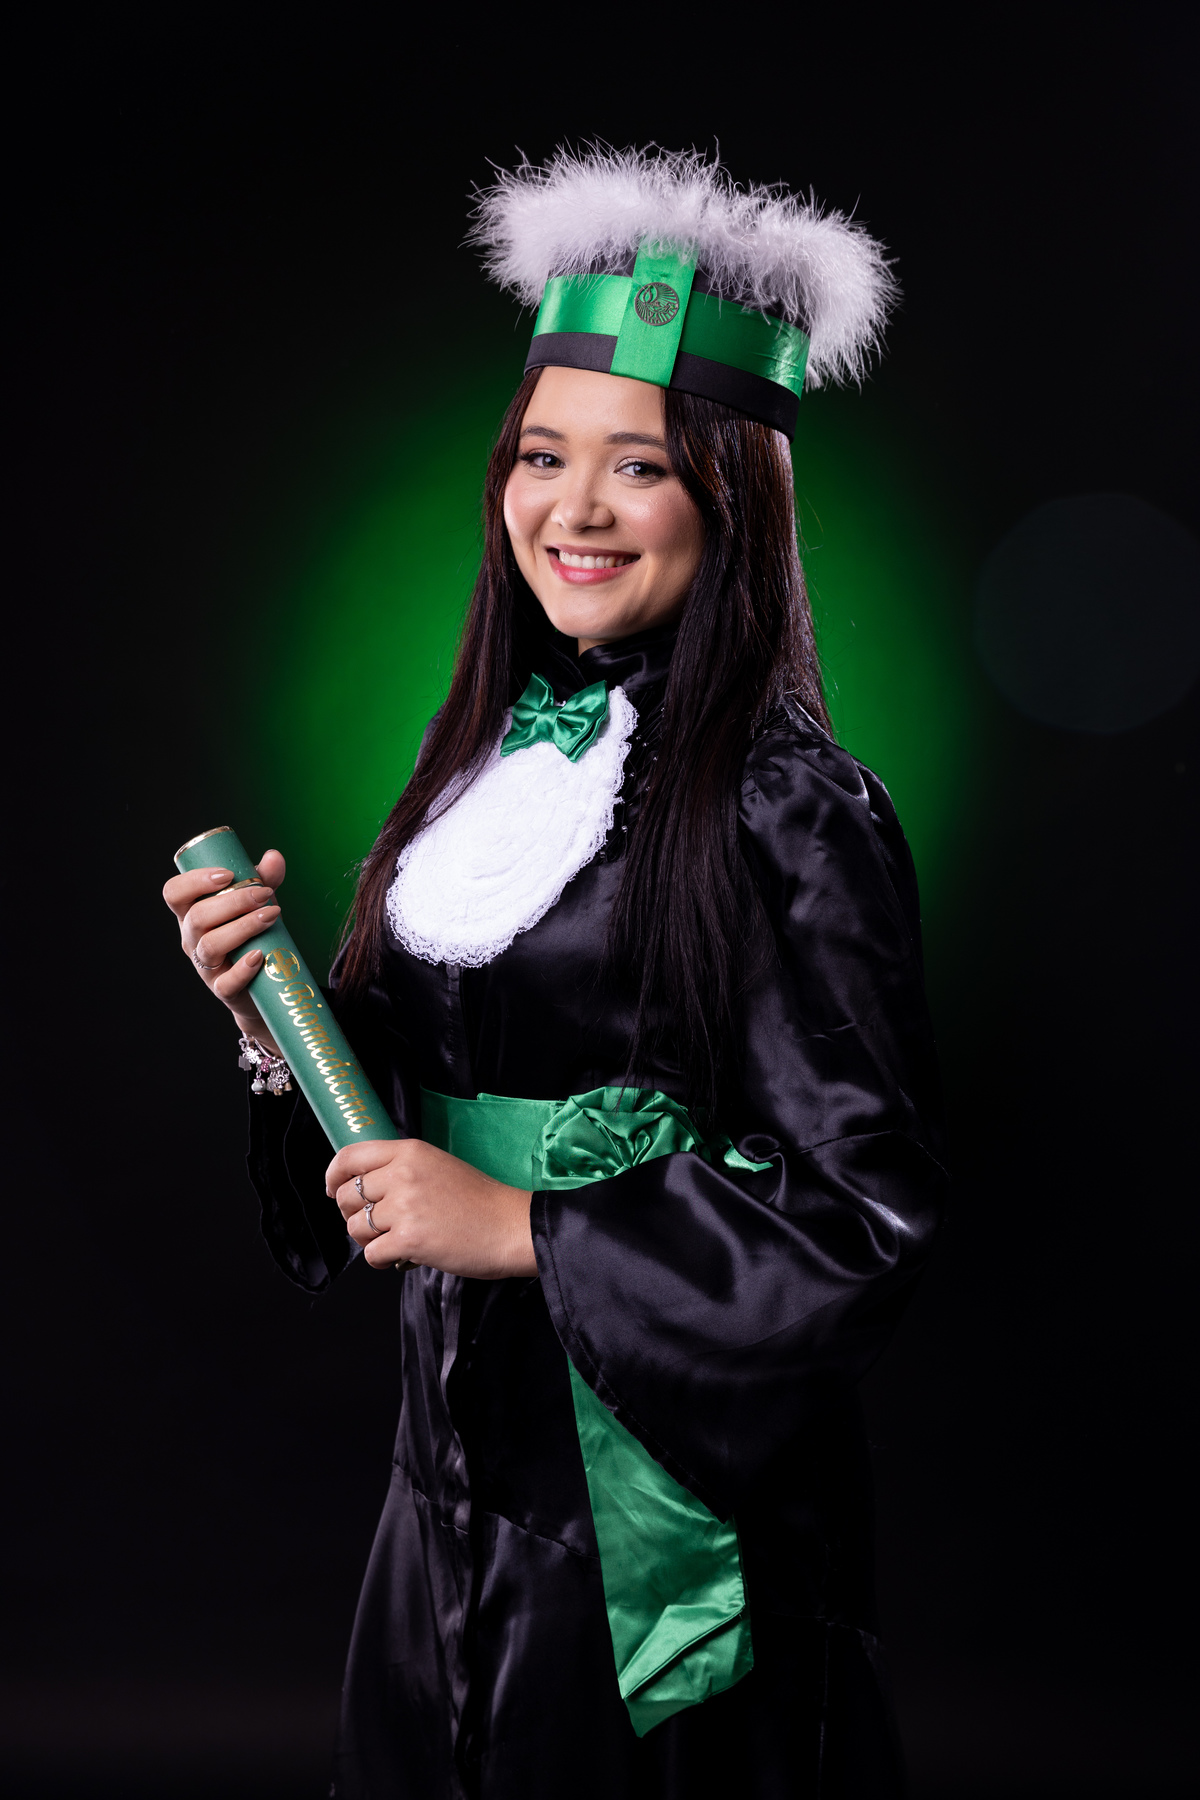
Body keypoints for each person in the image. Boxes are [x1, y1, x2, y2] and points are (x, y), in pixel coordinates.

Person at [163, 148, 946, 1799]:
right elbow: (420, 1123)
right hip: (446, 1493)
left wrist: (525, 1228)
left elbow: (863, 1228)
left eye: (637, 467)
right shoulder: (484, 767)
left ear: (732, 498)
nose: (570, 511)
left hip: (669, 1538)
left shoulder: (798, 810)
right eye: (540, 455)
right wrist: (273, 1023)